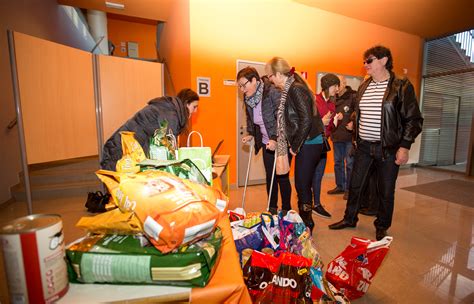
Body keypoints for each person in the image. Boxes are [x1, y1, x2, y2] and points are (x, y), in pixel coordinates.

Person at [329, 45, 423, 241]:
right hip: (363, 146)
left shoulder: (401, 85)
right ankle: (349, 218)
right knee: (355, 185)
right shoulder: (364, 86)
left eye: (369, 61)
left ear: (384, 60)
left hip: (387, 149)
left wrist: (404, 146)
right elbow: (359, 112)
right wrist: (355, 124)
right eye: (364, 61)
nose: (365, 65)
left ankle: (381, 225)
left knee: (385, 190)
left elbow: (413, 119)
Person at [265, 57, 328, 232]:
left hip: (309, 143)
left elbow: (306, 119)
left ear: (278, 74)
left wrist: (296, 145)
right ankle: (305, 221)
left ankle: (307, 224)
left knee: (302, 185)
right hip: (305, 143)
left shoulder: (295, 89)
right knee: (302, 184)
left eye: (270, 76)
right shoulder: (290, 89)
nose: (270, 80)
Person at [237, 67, 292, 215]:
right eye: (240, 86)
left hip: (280, 141)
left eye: (244, 85)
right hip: (266, 142)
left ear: (254, 80)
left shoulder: (272, 92)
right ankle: (272, 207)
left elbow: (280, 118)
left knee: (282, 176)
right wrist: (251, 134)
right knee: (270, 176)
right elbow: (251, 119)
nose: (242, 89)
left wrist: (275, 138)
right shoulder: (249, 98)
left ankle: (286, 209)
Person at [100, 89, 199, 171]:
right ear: (186, 103)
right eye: (194, 107)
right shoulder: (170, 114)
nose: (195, 111)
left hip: (122, 150)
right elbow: (167, 150)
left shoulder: (169, 109)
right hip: (119, 153)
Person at [311, 73, 340, 219]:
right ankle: (309, 202)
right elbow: (308, 124)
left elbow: (330, 128)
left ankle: (315, 203)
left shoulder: (332, 104)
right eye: (336, 86)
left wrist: (335, 122)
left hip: (324, 143)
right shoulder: (314, 100)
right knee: (310, 175)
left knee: (318, 175)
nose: (338, 89)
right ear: (329, 86)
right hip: (311, 144)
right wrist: (321, 122)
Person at [327, 75, 357, 200]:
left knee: (350, 164)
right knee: (337, 163)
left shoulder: (353, 96)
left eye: (338, 83)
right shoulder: (332, 98)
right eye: (334, 84)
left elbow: (358, 113)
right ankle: (340, 186)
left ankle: (349, 189)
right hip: (336, 136)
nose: (337, 87)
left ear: (344, 83)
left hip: (349, 137)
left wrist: (354, 123)